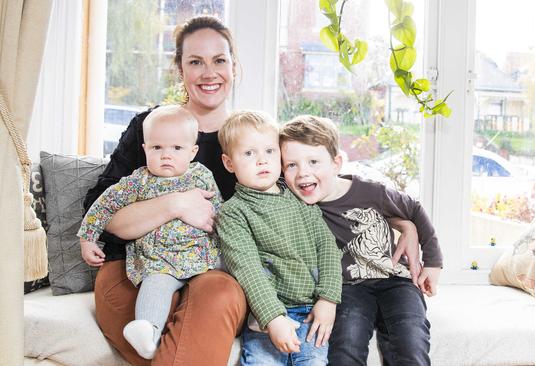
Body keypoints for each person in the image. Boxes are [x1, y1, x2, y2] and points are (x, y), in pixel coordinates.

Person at [81, 16, 247, 366]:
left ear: (234, 66)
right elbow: (105, 213)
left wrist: (393, 213)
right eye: (195, 61)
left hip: (212, 272)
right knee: (149, 325)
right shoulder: (149, 127)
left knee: (218, 294)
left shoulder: (251, 138)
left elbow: (307, 189)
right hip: (136, 268)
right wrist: (175, 203)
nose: (209, 72)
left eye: (219, 60)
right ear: (179, 68)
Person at [279, 115, 443, 366]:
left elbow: (414, 210)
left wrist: (433, 262)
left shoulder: (371, 192)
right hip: (348, 289)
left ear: (336, 163)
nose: (303, 173)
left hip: (395, 280)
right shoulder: (294, 203)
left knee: (410, 341)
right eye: (291, 165)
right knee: (345, 347)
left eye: (314, 161)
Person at [78, 105, 223, 359]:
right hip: (160, 260)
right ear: (145, 149)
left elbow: (218, 211)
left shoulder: (202, 176)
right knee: (154, 286)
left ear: (193, 152)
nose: (166, 155)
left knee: (239, 268)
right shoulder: (137, 181)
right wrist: (87, 237)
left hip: (203, 255)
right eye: (157, 148)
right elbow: (103, 204)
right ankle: (147, 330)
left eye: (176, 148)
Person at [216, 111, 342, 366]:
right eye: (249, 154)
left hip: (309, 310)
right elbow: (248, 270)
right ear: (229, 163)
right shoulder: (233, 212)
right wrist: (273, 318)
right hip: (265, 313)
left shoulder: (299, 198)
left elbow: (328, 249)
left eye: (270, 152)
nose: (262, 160)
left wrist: (328, 299)